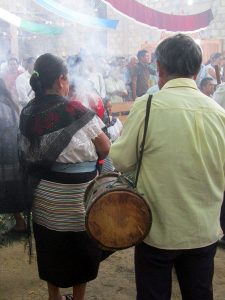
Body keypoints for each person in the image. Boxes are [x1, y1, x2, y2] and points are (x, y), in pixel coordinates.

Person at [110, 34, 225, 300]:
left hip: (156, 231)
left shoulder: (147, 106)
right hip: (203, 231)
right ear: (198, 70)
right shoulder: (219, 114)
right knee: (199, 294)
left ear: (159, 68)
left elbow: (121, 160)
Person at [18, 53, 110, 300]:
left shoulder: (27, 111)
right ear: (61, 80)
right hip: (77, 196)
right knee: (81, 246)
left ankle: (54, 296)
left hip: (44, 195)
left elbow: (27, 152)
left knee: (51, 245)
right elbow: (104, 148)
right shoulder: (73, 108)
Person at [0, 79, 26, 233]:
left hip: (5, 153)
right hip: (14, 152)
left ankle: (20, 222)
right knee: (13, 186)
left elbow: (6, 130)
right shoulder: (9, 103)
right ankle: (20, 221)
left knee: (7, 187)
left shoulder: (2, 105)